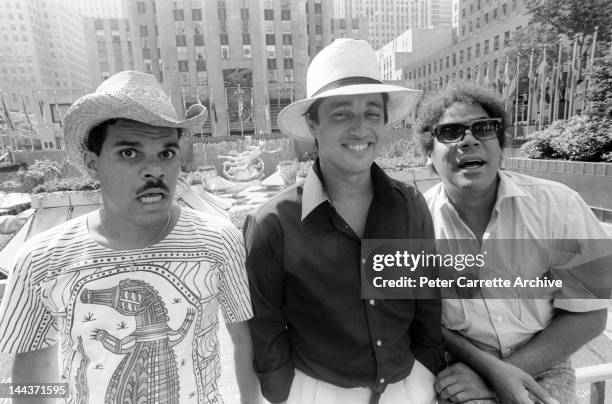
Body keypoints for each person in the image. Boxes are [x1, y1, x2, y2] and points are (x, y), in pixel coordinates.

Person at [0, 71, 261, 404]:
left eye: (166, 153)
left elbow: (244, 340)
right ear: (93, 165)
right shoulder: (41, 259)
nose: (154, 169)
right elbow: (32, 374)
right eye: (129, 153)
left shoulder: (218, 241)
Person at [244, 38, 445, 404]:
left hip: (408, 388)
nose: (359, 129)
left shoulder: (411, 205)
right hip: (318, 391)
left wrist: (426, 367)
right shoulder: (274, 222)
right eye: (341, 114)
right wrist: (282, 394)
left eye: (371, 113)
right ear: (313, 124)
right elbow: (265, 323)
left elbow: (426, 299)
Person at [415, 81, 609, 404]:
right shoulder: (413, 225)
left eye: (483, 128)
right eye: (450, 132)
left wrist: (499, 376)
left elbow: (590, 315)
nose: (469, 140)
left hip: (544, 366)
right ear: (428, 155)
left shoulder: (561, 206)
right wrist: (486, 371)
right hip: (460, 368)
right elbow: (417, 320)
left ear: (500, 145)